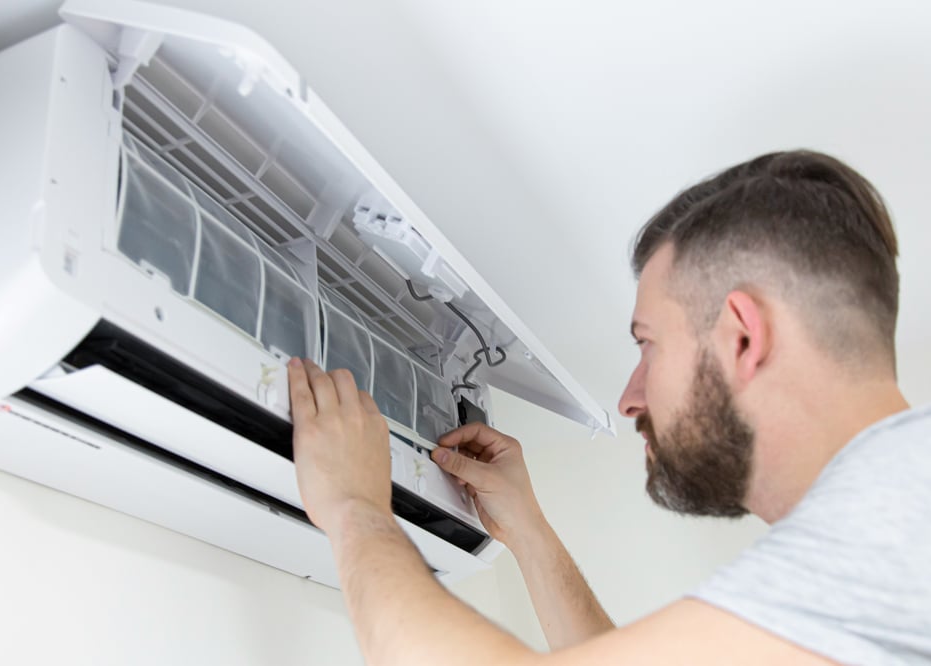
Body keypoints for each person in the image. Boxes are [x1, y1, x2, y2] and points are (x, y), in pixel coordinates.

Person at [286, 150, 931, 665]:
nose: (629, 398)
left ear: (741, 336)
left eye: (648, 345)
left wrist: (355, 510)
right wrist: (531, 537)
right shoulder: (895, 521)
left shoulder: (892, 514)